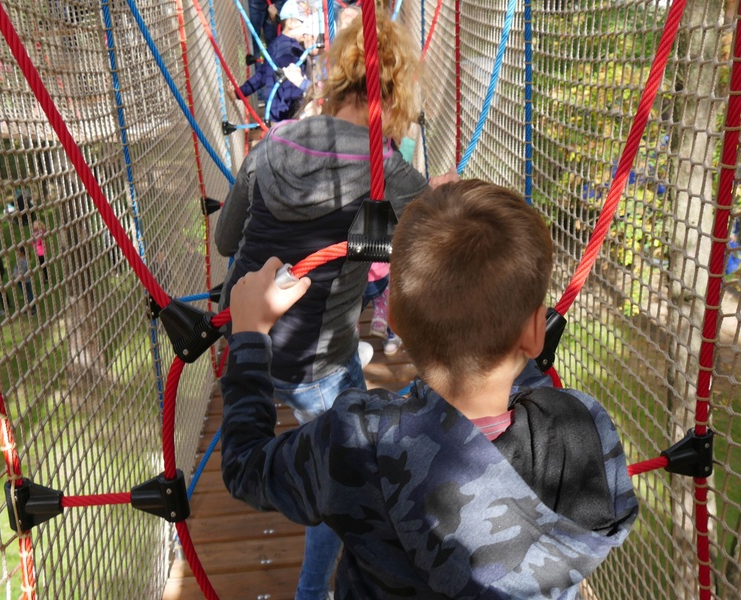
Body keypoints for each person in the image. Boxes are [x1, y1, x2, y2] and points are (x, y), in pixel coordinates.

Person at [221, 180, 639, 599]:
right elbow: (523, 382)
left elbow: (245, 466)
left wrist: (250, 335)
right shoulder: (582, 433)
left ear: (395, 321)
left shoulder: (358, 444)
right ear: (534, 335)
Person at [216, 9, 458, 599]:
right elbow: (427, 254)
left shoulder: (273, 143)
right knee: (339, 473)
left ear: (337, 79)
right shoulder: (389, 174)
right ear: (395, 97)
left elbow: (226, 241)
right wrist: (440, 202)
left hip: (243, 336)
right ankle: (311, 591)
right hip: (315, 363)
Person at [235, 0, 312, 121]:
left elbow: (260, 76)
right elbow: (292, 92)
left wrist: (238, 93)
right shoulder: (289, 52)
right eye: (305, 24)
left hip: (274, 115)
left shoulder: (275, 44)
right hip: (288, 116)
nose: (309, 29)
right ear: (290, 23)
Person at [13, 246, 36, 315]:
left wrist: (17, 275)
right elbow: (15, 268)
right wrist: (15, 274)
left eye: (19, 251)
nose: (17, 252)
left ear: (22, 252)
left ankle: (33, 309)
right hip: (19, 280)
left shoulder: (26, 261)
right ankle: (27, 307)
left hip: (25, 280)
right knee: (24, 294)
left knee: (29, 294)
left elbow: (23, 271)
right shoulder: (19, 259)